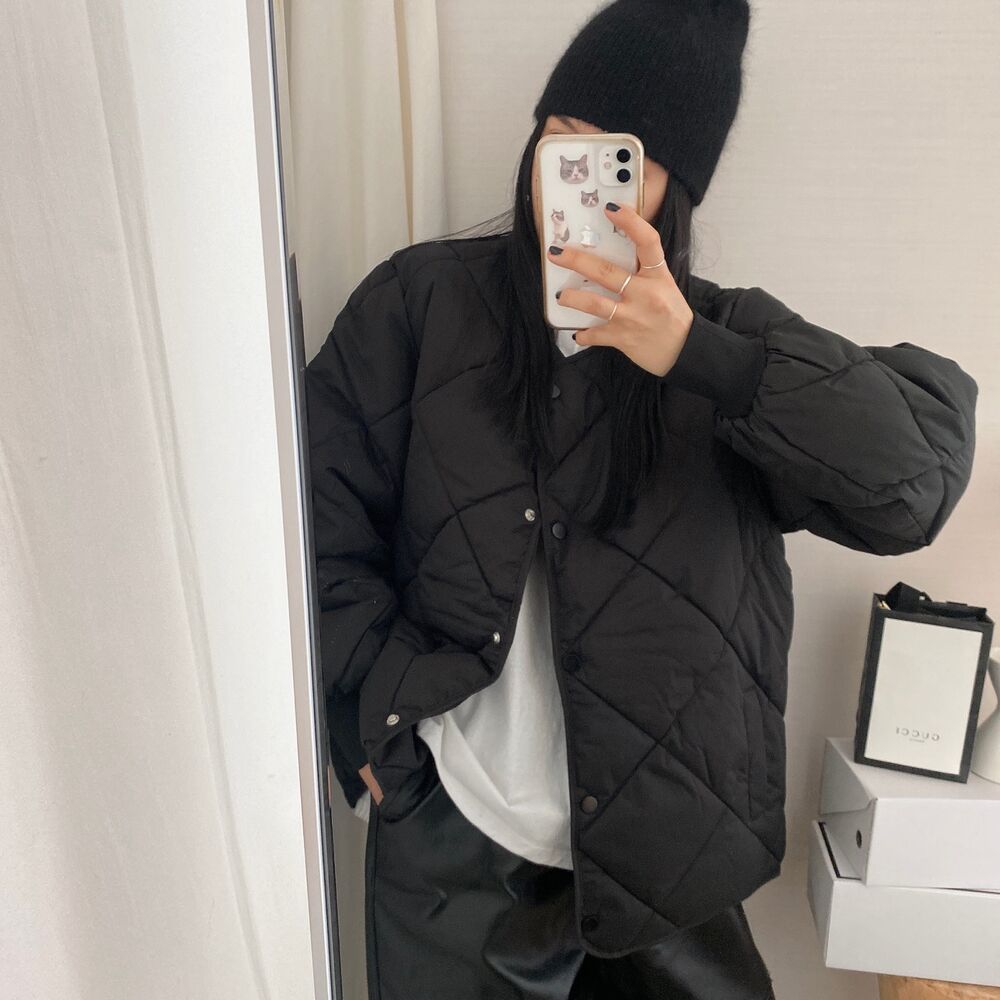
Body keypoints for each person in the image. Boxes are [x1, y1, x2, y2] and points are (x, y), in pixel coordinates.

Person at [304, 1, 978, 998]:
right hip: (454, 837)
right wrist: (376, 734)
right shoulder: (419, 306)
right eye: (562, 136)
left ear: (672, 192)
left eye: (621, 161)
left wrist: (702, 357)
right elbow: (313, 525)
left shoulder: (730, 344)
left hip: (673, 861)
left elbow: (915, 480)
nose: (573, 179)